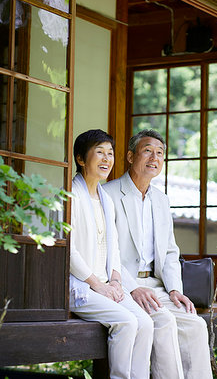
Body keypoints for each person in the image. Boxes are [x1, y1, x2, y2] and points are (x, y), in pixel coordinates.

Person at [103, 129, 213, 379]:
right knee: (163, 322)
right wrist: (130, 287)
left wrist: (175, 289)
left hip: (157, 286)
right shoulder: (109, 194)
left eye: (160, 153)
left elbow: (171, 252)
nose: (155, 158)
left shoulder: (161, 200)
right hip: (123, 284)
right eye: (148, 151)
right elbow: (107, 252)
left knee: (195, 324)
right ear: (131, 157)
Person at [69, 129, 153, 379]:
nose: (106, 159)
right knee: (127, 322)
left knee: (146, 323)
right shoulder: (71, 195)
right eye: (99, 153)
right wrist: (97, 284)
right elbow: (69, 250)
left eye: (110, 153)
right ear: (81, 159)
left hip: (106, 285)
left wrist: (115, 281)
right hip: (81, 286)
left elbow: (113, 247)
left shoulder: (106, 198)